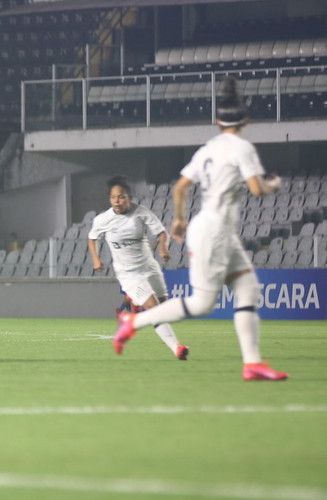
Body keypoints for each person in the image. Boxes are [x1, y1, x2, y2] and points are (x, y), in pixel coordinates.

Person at [113, 77, 287, 381]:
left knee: (248, 288)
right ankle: (132, 322)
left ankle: (253, 363)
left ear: (216, 120)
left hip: (210, 227)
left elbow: (180, 187)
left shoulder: (208, 148)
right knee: (202, 303)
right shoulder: (242, 147)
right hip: (216, 231)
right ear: (246, 120)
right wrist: (273, 183)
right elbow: (257, 189)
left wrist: (179, 219)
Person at [88, 176, 189, 360]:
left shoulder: (141, 213)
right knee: (154, 309)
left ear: (129, 197)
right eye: (113, 198)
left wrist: (163, 248)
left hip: (149, 267)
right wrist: (96, 259)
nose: (117, 201)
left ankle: (131, 311)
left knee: (164, 308)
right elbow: (92, 237)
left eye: (121, 197)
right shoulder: (103, 219)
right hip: (129, 274)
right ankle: (177, 348)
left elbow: (161, 232)